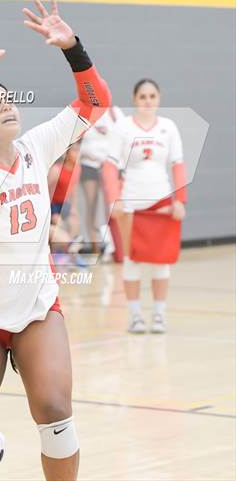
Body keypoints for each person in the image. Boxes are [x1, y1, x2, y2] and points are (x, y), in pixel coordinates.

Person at [0, 0, 111, 480]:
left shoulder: (36, 147)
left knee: (55, 409)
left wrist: (72, 48)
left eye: (8, 97)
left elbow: (95, 102)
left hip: (35, 306)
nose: (6, 103)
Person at [103, 79, 187, 334]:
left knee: (161, 262)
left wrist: (180, 201)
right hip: (131, 203)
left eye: (152, 96)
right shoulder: (123, 127)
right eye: (143, 96)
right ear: (134, 99)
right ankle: (135, 315)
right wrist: (113, 199)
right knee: (132, 261)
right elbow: (109, 165)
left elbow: (178, 166)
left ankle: (159, 315)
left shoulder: (169, 127)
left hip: (161, 202)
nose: (148, 101)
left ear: (158, 99)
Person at [80, 105, 124, 256]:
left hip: (111, 166)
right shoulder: (82, 111)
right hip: (89, 165)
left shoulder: (114, 112)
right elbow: (74, 143)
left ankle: (117, 246)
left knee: (113, 205)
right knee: (91, 206)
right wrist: (90, 156)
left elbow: (124, 137)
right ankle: (95, 250)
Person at [48, 142, 84, 262]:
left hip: (64, 204)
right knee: (57, 222)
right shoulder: (56, 170)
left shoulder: (77, 170)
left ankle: (68, 252)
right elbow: (46, 191)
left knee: (75, 221)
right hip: (51, 204)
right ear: (66, 154)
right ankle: (55, 253)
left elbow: (73, 190)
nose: (78, 155)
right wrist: (50, 212)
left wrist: (73, 208)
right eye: (75, 151)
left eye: (79, 151)